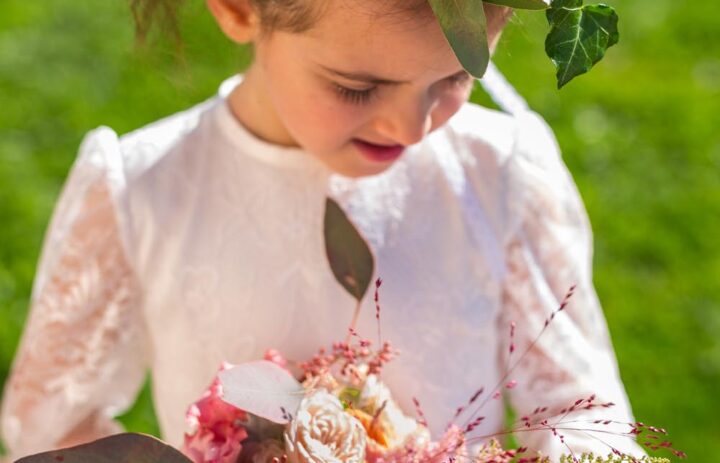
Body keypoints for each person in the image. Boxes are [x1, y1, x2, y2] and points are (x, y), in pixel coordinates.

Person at [0, 0, 643, 461]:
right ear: (240, 9)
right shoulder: (141, 188)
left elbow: (583, 414)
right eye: (357, 88)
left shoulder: (499, 173)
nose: (411, 128)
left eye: (453, 80)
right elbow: (50, 424)